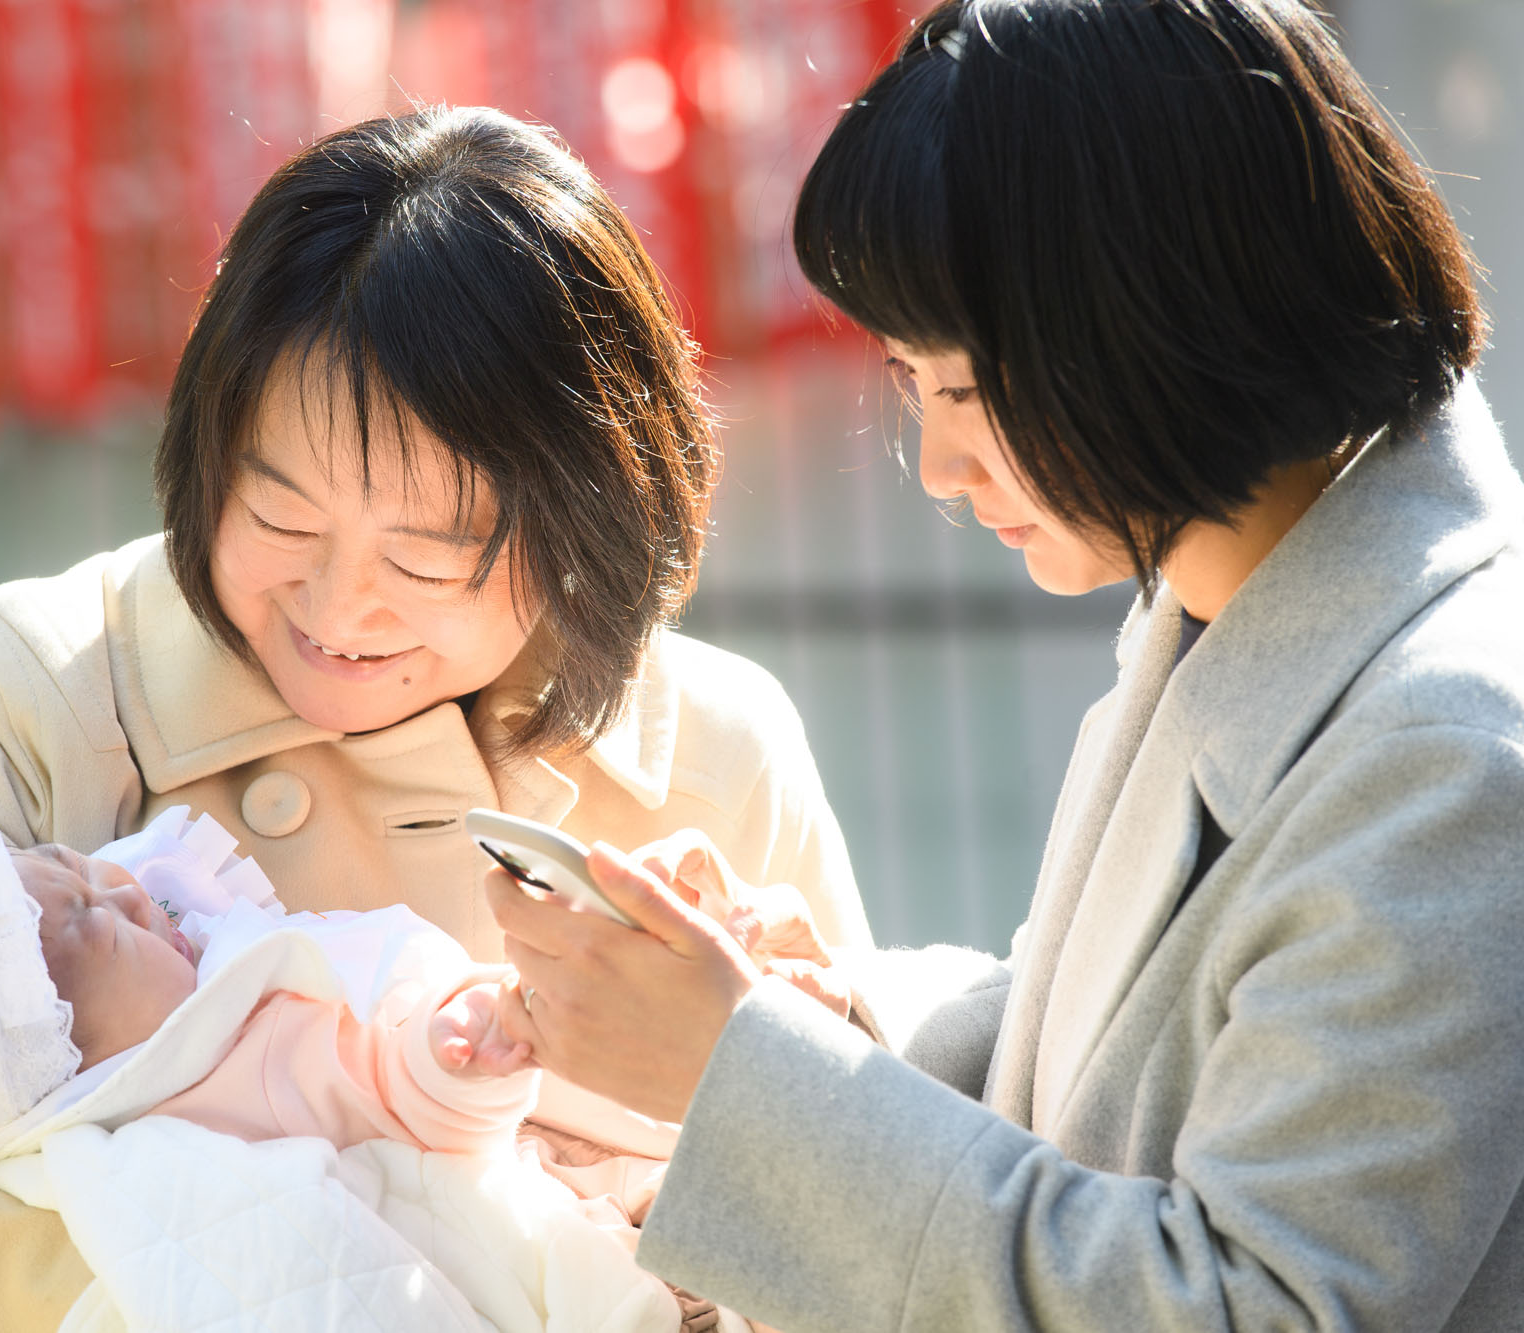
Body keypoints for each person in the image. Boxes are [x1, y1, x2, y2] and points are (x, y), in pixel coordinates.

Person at [0, 105, 869, 1332]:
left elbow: (860, 1205)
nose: (339, 608)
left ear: (584, 521)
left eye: (426, 559)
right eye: (277, 519)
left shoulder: (710, 755)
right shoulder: (47, 692)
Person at [488, 2, 1524, 1329]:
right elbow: (1114, 1050)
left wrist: (744, 1077)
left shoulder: (1450, 754)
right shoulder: (1252, 595)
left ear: (1161, 319)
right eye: (909, 385)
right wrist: (810, 1018)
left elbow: (1252, 1305)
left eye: (967, 389)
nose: (939, 465)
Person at [0, 793, 536, 1190]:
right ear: (71, 1069)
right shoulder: (224, 1078)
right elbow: (379, 1083)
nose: (124, 890)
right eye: (100, 928)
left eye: (72, 864)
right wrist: (451, 1049)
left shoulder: (154, 973)